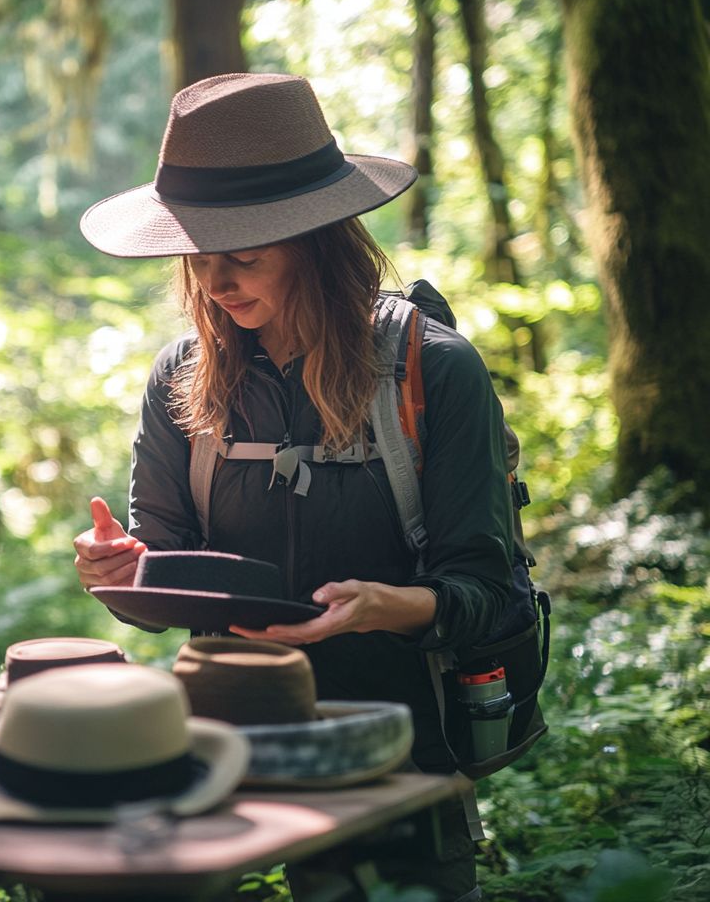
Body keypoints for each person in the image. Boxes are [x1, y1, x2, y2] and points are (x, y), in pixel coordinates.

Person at [72, 73, 512, 902]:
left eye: (244, 255)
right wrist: (120, 573)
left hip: (397, 747)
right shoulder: (183, 379)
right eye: (199, 258)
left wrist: (387, 604)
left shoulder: (431, 371)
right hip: (223, 735)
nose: (216, 282)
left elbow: (490, 594)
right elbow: (161, 577)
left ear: (317, 240)